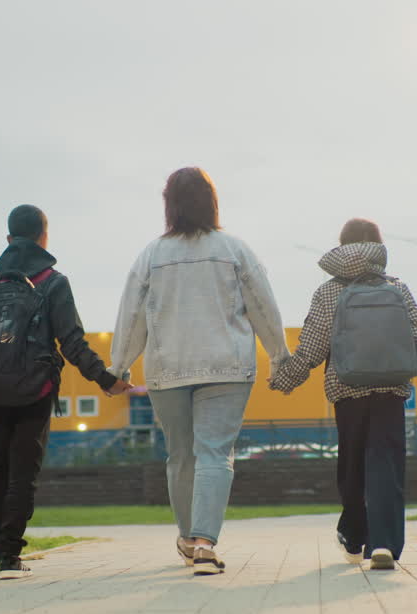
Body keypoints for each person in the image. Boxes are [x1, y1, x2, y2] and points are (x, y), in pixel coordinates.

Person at [110, 167, 289, 575]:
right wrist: (279, 356)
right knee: (214, 452)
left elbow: (132, 316)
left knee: (180, 456)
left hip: (167, 368)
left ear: (168, 204)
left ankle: (190, 539)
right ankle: (206, 542)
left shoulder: (151, 256)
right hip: (227, 367)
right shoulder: (235, 250)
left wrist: (117, 368)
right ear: (212, 201)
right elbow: (263, 307)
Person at [0, 204, 130, 579]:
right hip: (33, 390)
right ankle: (8, 555)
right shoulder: (53, 281)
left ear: (8, 239)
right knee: (23, 471)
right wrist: (105, 380)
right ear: (44, 237)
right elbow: (71, 341)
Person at [269, 218, 417, 570]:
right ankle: (384, 543)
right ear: (378, 246)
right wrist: (396, 358)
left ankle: (354, 534)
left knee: (352, 466)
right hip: (391, 390)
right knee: (385, 466)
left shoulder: (329, 292)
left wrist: (284, 379)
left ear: (341, 246)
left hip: (347, 391)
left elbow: (312, 348)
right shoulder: (397, 288)